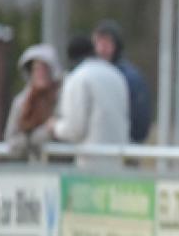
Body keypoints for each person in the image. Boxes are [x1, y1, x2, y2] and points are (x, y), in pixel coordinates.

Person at [47, 36, 129, 167]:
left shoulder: (77, 78)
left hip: (90, 166)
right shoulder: (116, 75)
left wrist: (55, 127)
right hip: (117, 161)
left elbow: (75, 129)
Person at [93, 19, 152, 144]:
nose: (102, 48)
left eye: (107, 42)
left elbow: (140, 117)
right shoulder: (89, 74)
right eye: (99, 42)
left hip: (124, 146)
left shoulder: (130, 77)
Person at [3, 43, 63, 158]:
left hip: (59, 167)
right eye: (36, 69)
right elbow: (10, 138)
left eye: (45, 69)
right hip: (30, 169)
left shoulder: (62, 99)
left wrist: (51, 130)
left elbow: (68, 132)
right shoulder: (21, 102)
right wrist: (29, 139)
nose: (40, 74)